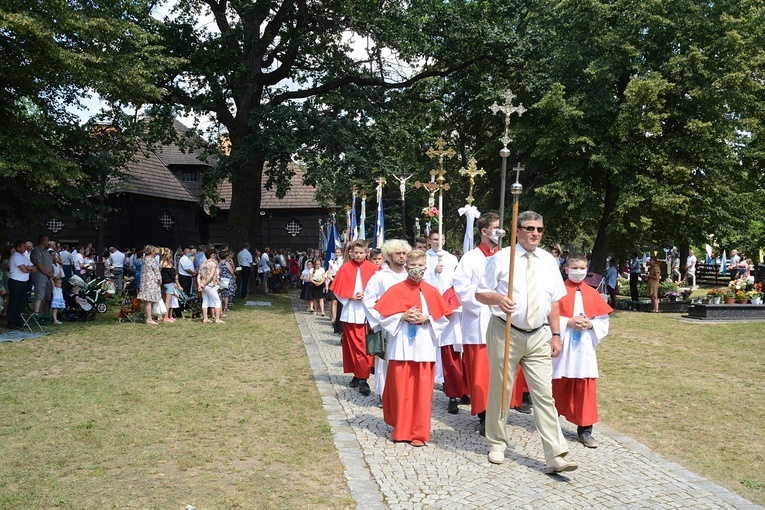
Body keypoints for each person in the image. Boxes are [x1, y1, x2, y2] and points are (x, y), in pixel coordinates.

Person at [476, 210, 577, 473]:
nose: (535, 234)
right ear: (518, 231)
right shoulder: (501, 258)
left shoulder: (548, 261)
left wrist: (556, 334)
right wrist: (498, 299)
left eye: (539, 230)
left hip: (539, 333)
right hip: (505, 330)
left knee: (544, 394)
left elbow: (554, 301)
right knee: (502, 389)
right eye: (530, 228)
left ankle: (555, 453)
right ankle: (497, 442)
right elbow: (480, 293)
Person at [374, 249, 451, 446]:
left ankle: (419, 433)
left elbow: (442, 319)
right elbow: (382, 317)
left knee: (423, 392)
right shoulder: (396, 290)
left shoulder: (432, 291)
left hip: (424, 346)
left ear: (426, 267)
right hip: (402, 347)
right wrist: (402, 316)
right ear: (406, 267)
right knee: (401, 390)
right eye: (413, 266)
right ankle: (401, 430)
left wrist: (427, 319)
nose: (416, 269)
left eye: (420, 266)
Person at [552, 253, 613, 449]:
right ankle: (551, 423)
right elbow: (548, 316)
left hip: (584, 346)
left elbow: (603, 320)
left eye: (582, 268)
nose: (579, 271)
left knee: (585, 385)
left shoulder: (592, 293)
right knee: (558, 382)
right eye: (575, 268)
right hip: (564, 343)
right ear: (566, 269)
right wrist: (567, 322)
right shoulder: (558, 291)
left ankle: (585, 429)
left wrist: (590, 324)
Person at [363, 239, 412, 400]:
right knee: (387, 361)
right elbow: (369, 301)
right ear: (389, 256)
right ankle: (385, 394)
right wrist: (383, 320)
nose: (402, 257)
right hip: (388, 326)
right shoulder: (380, 277)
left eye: (404, 253)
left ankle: (405, 393)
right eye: (398, 253)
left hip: (410, 326)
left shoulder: (411, 275)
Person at [329, 239, 378, 396]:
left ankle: (363, 378)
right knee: (350, 346)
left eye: (361, 253)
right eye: (355, 252)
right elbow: (336, 289)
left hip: (366, 312)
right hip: (350, 311)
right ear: (351, 252)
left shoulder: (373, 269)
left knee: (362, 347)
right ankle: (357, 374)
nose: (358, 255)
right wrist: (350, 296)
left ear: (366, 253)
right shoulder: (345, 268)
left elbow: (379, 289)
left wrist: (367, 296)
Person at [424, 230, 464, 415]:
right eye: (434, 239)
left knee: (451, 352)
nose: (437, 242)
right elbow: (421, 282)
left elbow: (456, 282)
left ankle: (456, 393)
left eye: (440, 239)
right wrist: (433, 273)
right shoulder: (424, 258)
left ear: (445, 239)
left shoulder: (451, 259)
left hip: (449, 308)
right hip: (430, 306)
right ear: (429, 240)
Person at [6, 240, 37, 329]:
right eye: (23, 246)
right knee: (14, 302)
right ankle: (11, 322)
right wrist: (28, 268)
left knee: (21, 302)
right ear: (18, 248)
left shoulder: (24, 257)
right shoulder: (15, 257)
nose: (25, 248)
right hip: (16, 281)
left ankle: (18, 320)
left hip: (24, 282)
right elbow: (23, 269)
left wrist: (29, 268)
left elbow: (34, 268)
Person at [198, 248, 224, 324]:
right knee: (217, 301)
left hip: (203, 285)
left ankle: (205, 318)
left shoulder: (202, 264)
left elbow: (198, 276)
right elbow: (211, 275)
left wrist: (200, 285)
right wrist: (205, 283)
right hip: (209, 285)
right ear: (212, 255)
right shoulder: (213, 264)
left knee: (205, 301)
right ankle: (217, 319)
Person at [137, 245, 162, 325]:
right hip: (151, 282)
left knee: (147, 301)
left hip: (145, 282)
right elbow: (156, 271)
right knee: (149, 301)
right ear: (151, 252)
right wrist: (159, 279)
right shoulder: (151, 260)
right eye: (154, 252)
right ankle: (149, 319)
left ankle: (149, 317)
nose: (155, 254)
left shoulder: (144, 260)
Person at [30, 235, 54, 315]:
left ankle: (44, 313)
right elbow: (38, 264)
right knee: (39, 295)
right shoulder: (37, 251)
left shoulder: (45, 251)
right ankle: (36, 313)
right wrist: (47, 273)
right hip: (40, 276)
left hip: (47, 277)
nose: (48, 242)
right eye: (47, 240)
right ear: (43, 241)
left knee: (45, 296)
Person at [160, 249, 181, 323]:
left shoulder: (161, 264)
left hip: (164, 283)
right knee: (168, 302)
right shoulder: (169, 266)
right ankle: (166, 317)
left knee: (163, 300)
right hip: (169, 284)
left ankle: (161, 316)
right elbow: (174, 277)